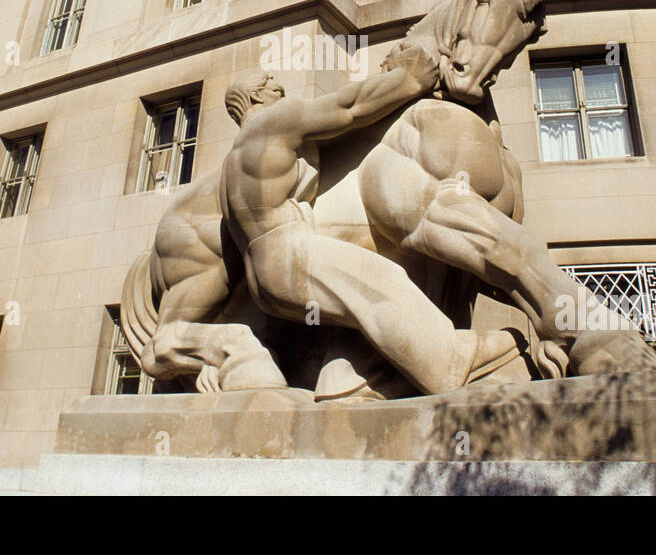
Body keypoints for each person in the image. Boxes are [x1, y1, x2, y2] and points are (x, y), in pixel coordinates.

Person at [219, 46, 521, 395]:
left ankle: (345, 383)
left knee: (357, 307)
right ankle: (454, 365)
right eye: (271, 82)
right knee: (383, 280)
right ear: (256, 95)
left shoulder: (234, 157)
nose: (280, 87)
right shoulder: (273, 121)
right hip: (290, 251)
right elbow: (348, 109)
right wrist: (407, 79)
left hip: (263, 274)